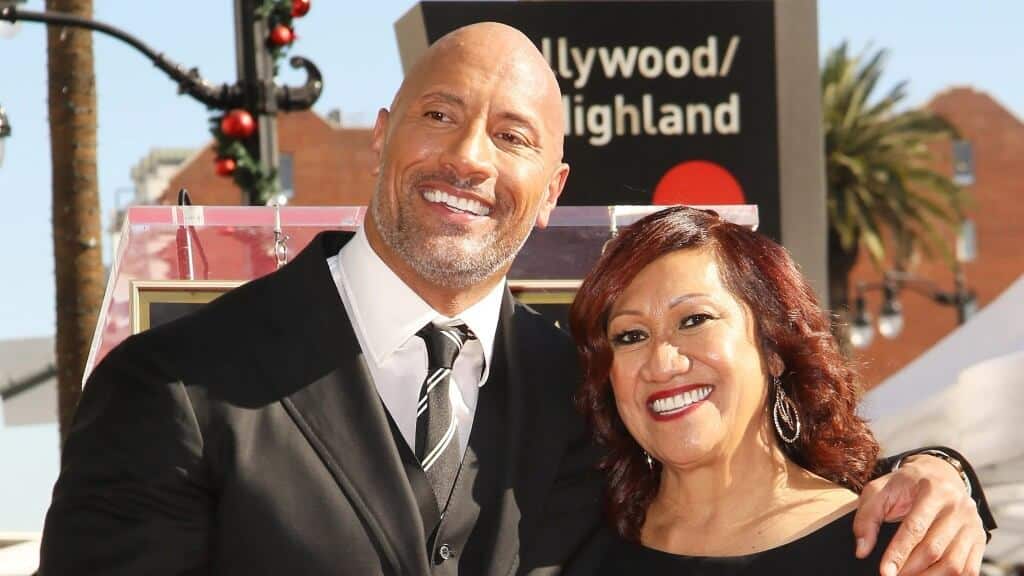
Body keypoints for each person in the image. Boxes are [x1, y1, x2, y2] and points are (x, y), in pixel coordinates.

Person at [40, 22, 991, 576]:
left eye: (512, 135)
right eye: (440, 115)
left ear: (552, 189)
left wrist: (945, 473)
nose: (468, 158)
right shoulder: (176, 387)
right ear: (382, 137)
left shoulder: (592, 387)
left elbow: (751, 476)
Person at [568, 206, 992, 575]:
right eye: (630, 336)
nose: (662, 363)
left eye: (694, 320)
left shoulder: (895, 550)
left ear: (775, 349)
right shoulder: (576, 549)